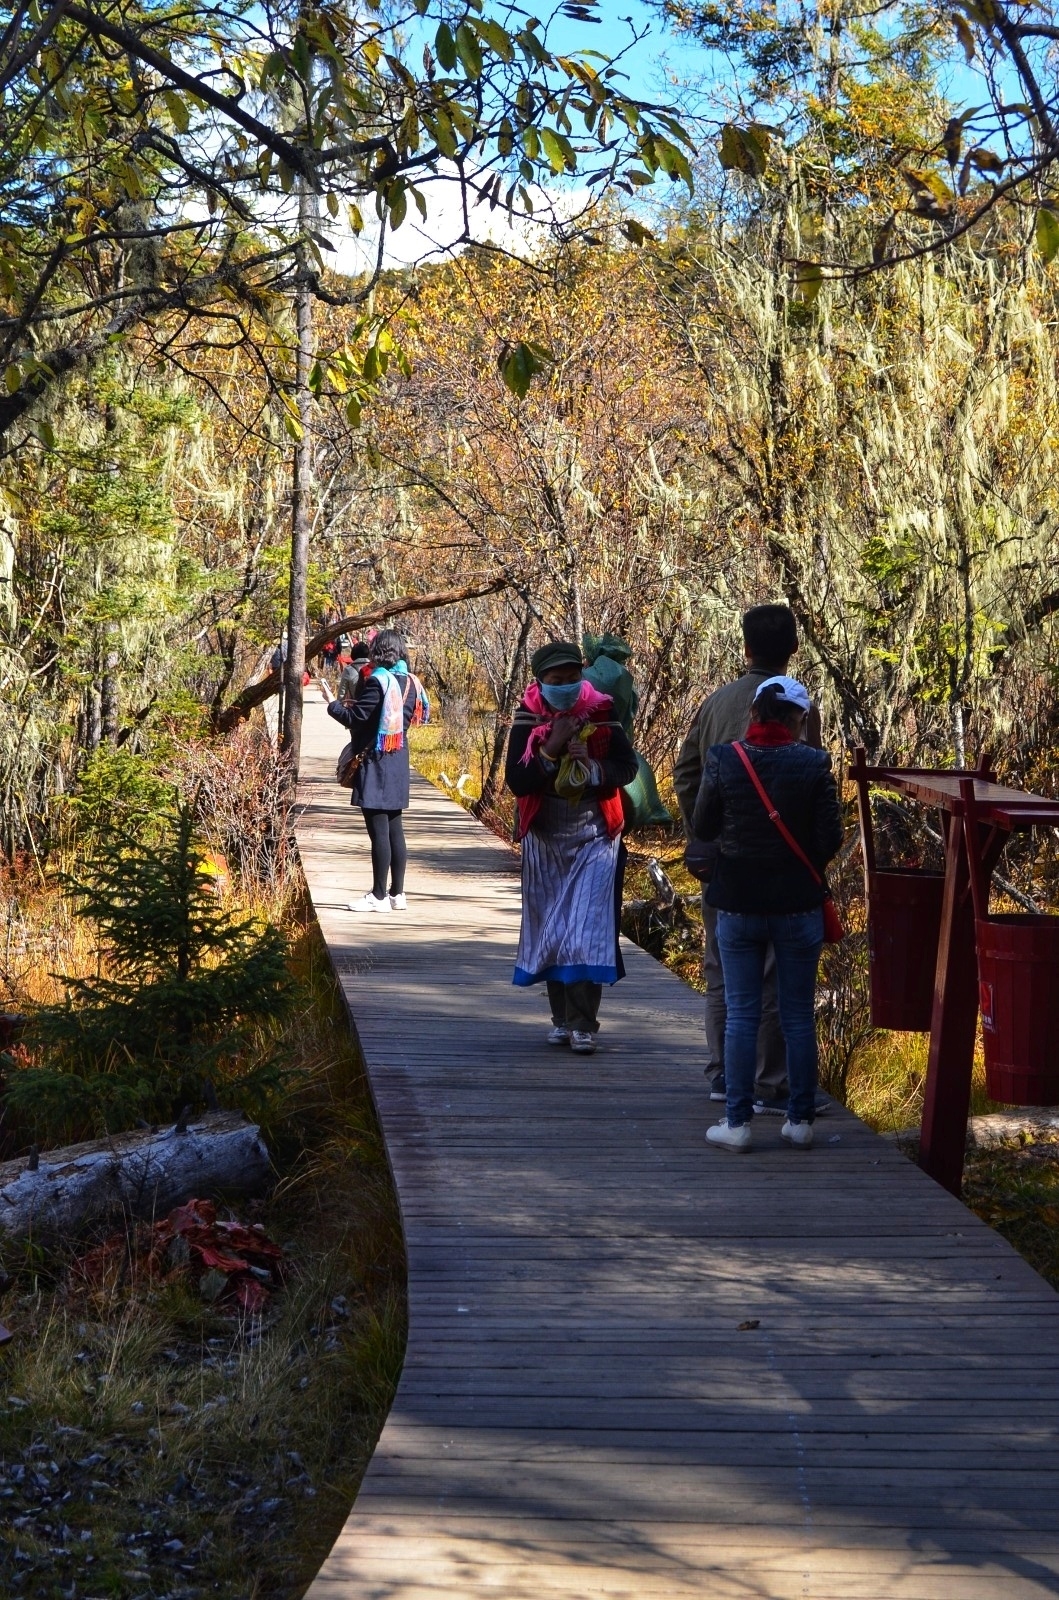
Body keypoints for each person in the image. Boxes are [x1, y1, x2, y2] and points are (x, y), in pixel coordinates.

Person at [674, 604, 822, 1113]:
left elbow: (687, 769)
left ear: (745, 647)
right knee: (777, 979)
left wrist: (703, 832)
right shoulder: (801, 708)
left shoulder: (716, 702)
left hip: (724, 864)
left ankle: (721, 1073)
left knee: (723, 969)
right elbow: (812, 783)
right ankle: (772, 1082)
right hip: (784, 869)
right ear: (793, 649)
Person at [691, 676, 843, 1151]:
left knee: (741, 1014)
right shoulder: (815, 763)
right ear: (800, 721)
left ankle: (736, 1123)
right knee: (797, 1016)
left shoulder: (723, 759)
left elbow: (703, 825)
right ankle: (799, 1121)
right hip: (798, 905)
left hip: (737, 903)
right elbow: (830, 840)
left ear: (753, 714)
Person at [505, 640, 639, 1054]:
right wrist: (548, 749)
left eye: (572, 678)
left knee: (585, 926)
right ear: (540, 682)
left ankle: (584, 1023)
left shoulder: (601, 712)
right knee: (552, 927)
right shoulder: (528, 718)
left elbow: (627, 766)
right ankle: (560, 1019)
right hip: (545, 832)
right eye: (556, 680)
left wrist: (592, 765)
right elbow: (518, 780)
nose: (565, 686)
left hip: (595, 832)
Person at [326, 629, 429, 913]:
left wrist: (333, 706)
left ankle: (378, 896)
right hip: (398, 758)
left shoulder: (378, 682)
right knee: (395, 828)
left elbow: (357, 719)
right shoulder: (412, 682)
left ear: (378, 652)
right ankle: (397, 894)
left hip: (376, 760)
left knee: (378, 831)